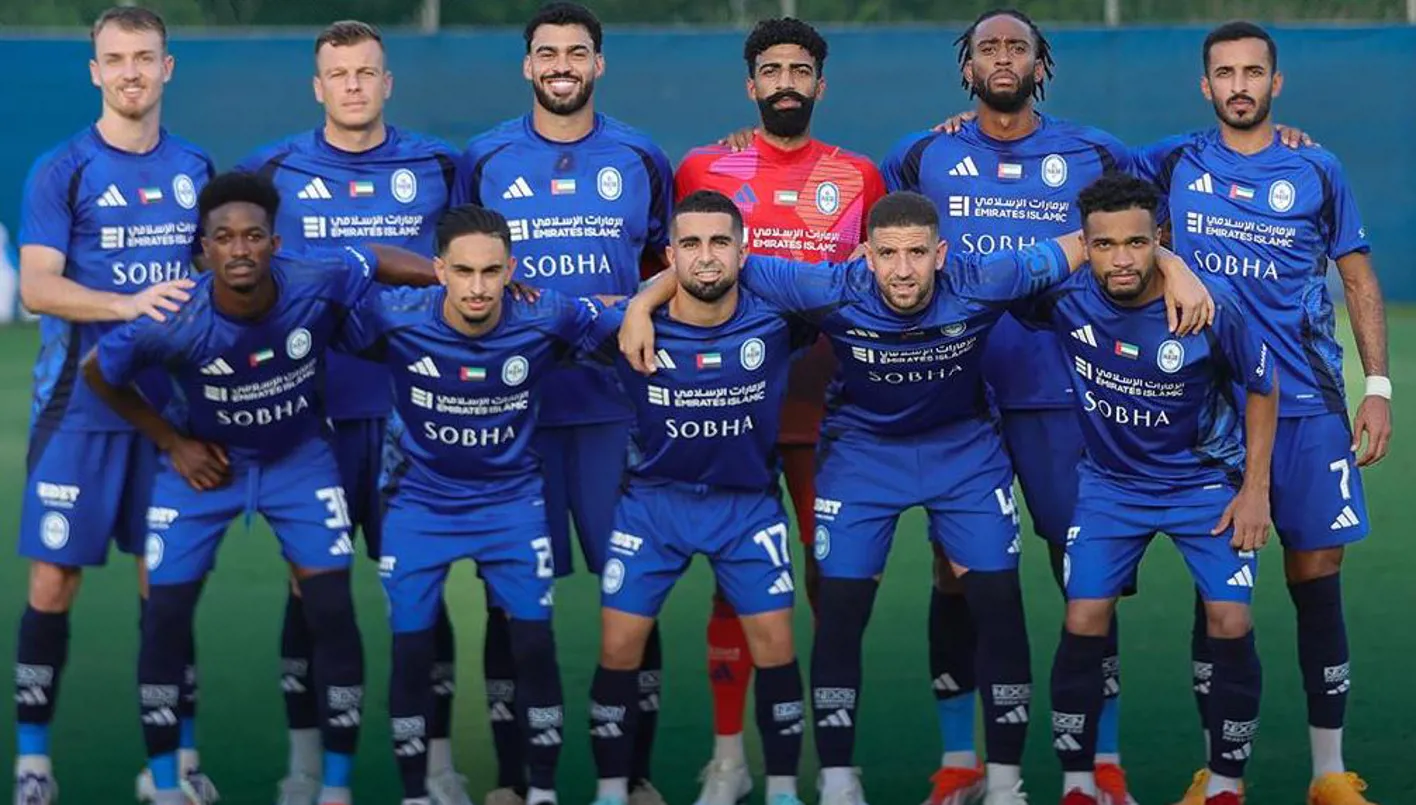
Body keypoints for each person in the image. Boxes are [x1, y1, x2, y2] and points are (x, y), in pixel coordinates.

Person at [621, 190, 1216, 805]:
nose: (902, 270)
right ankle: (838, 782)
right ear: (865, 256)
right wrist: (643, 302)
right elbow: (715, 265)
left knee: (998, 603)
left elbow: (1088, 244)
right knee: (841, 609)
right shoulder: (830, 287)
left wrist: (1173, 265)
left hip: (962, 452)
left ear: (941, 254)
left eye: (916, 254)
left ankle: (1004, 785)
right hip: (863, 454)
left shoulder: (985, 281)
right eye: (887, 255)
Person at [80, 171, 436, 805]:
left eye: (252, 236)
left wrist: (446, 275)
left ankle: (334, 788)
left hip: (299, 461)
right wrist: (173, 443)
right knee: (163, 617)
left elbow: (376, 256)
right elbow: (97, 371)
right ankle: (167, 785)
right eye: (224, 237)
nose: (239, 249)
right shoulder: (176, 317)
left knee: (331, 612)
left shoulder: (313, 276)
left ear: (275, 243)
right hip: (206, 468)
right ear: (204, 249)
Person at [878, 10, 1138, 802]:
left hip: (1060, 394)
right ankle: (961, 759)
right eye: (987, 48)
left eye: (1016, 47)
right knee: (955, 571)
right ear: (967, 68)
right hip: (955, 399)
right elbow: (889, 254)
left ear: (1040, 65)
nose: (1002, 58)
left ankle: (1101, 761)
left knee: (1082, 570)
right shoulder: (920, 155)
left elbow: (1149, 222)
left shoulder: (1095, 152)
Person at [1131, 21, 1391, 805]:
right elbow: (1087, 184)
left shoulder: (1317, 167)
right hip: (1209, 413)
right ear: (1204, 86)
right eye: (1225, 73)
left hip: (1308, 404)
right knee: (1220, 589)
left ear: (1276, 84)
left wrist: (1378, 387)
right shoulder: (1171, 161)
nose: (1238, 85)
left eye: (1252, 72)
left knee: (1317, 574)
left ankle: (1328, 772)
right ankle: (1220, 773)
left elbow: (1358, 278)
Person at [233, 19, 468, 805]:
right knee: (312, 589)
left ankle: (437, 768)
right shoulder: (270, 169)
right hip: (311, 419)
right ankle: (307, 769)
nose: (354, 86)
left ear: (387, 81)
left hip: (418, 413)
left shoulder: (440, 165)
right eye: (339, 74)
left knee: (420, 587)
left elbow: (472, 267)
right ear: (318, 87)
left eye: (367, 72)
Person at [453, 4, 674, 803]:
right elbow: (462, 265)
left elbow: (672, 263)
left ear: (598, 64)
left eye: (576, 52)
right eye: (546, 53)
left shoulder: (641, 155)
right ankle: (516, 781)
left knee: (633, 591)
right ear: (527, 65)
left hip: (615, 408)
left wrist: (639, 304)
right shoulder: (484, 157)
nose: (561, 65)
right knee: (510, 595)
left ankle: (633, 774)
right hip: (514, 415)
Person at [1013, 173, 1276, 805]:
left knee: (1231, 619)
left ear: (1160, 239)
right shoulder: (1064, 296)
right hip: (1111, 487)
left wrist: (1255, 490)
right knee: (1083, 616)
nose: (1122, 259)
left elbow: (1263, 387)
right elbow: (998, 284)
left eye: (1136, 242)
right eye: (1104, 245)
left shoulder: (1208, 306)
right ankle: (1080, 784)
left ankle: (1225, 784)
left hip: (1203, 485)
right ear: (1085, 246)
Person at [672, 21, 885, 802]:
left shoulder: (858, 175)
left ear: (820, 85)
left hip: (832, 412)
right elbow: (674, 271)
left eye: (800, 69)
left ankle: (839, 764)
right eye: (771, 70)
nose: (786, 82)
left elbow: (881, 275)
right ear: (750, 84)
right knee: (735, 584)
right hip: (732, 410)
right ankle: (730, 760)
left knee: (835, 582)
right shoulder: (704, 167)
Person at [11, 7, 214, 804]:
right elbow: (37, 287)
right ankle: (33, 765)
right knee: (53, 583)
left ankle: (177, 764)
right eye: (116, 58)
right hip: (78, 415)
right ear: (95, 71)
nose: (131, 71)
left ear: (167, 68)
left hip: (170, 417)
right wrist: (127, 304)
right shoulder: (61, 168)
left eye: (144, 57)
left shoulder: (196, 165)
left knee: (165, 589)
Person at [336, 205, 596, 805]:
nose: (477, 287)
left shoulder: (547, 316)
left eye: (491, 271)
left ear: (511, 270)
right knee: (411, 653)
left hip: (512, 506)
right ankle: (416, 795)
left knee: (534, 647)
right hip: (419, 507)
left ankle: (543, 793)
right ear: (438, 270)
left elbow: (614, 316)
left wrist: (641, 305)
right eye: (463, 271)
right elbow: (310, 309)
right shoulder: (394, 316)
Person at [583, 190, 810, 805]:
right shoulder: (623, 326)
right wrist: (639, 305)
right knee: (617, 646)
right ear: (670, 256)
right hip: (654, 506)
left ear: (743, 251)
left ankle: (782, 791)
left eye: (718, 242)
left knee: (776, 644)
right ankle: (612, 792)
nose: (706, 256)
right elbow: (543, 318)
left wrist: (643, 297)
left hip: (746, 507)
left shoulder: (780, 319)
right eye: (690, 244)